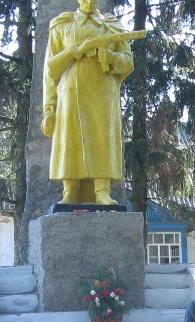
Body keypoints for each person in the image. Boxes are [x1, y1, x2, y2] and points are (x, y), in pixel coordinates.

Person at [41, 0, 134, 205]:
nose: (91, 1)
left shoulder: (111, 25)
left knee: (103, 137)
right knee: (70, 138)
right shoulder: (63, 25)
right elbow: (50, 71)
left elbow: (128, 61)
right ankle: (70, 190)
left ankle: (102, 190)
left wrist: (111, 57)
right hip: (70, 92)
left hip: (103, 95)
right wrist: (49, 108)